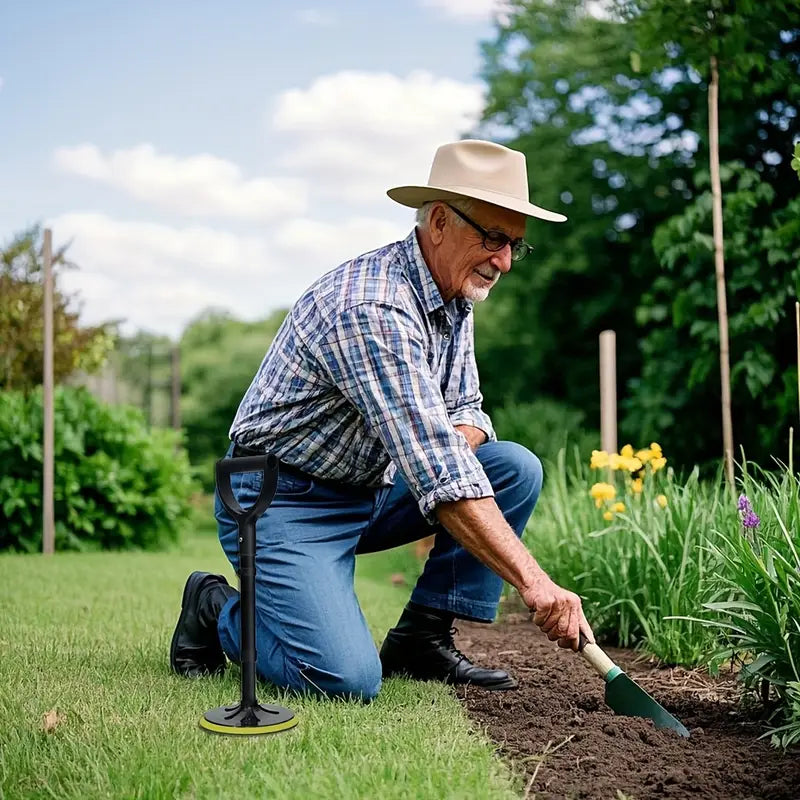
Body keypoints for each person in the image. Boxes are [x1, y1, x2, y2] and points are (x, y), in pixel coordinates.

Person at [170, 139, 595, 701]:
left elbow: (467, 411)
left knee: (513, 467)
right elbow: (440, 471)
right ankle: (217, 606)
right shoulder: (373, 307)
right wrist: (536, 585)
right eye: (493, 238)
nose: (505, 261)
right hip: (280, 499)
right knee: (345, 681)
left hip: (371, 487)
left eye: (516, 244)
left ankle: (422, 639)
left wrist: (439, 452)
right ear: (439, 221)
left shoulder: (453, 295)